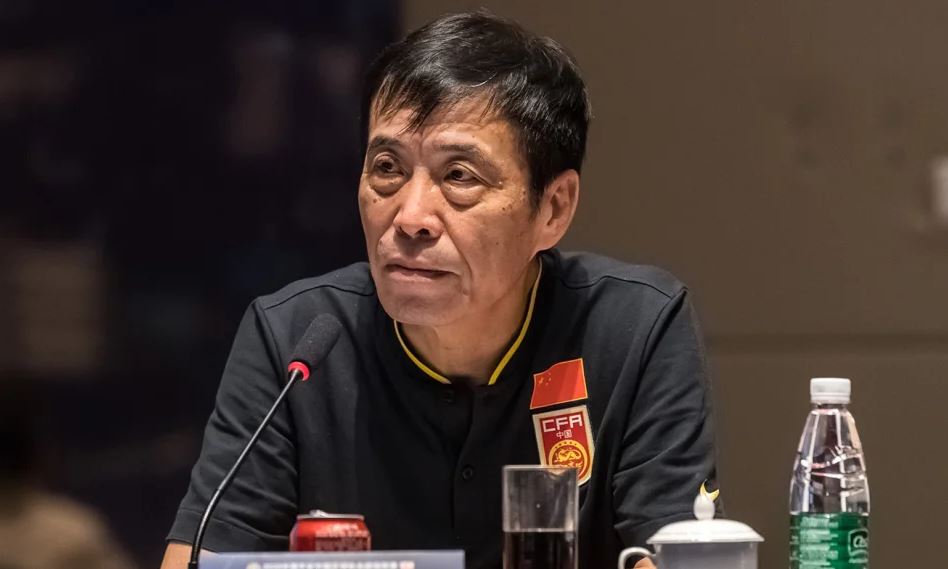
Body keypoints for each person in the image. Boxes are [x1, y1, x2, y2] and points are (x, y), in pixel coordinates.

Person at [161, 10, 715, 569]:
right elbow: (200, 556)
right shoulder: (295, 343)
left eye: (458, 176)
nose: (410, 217)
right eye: (387, 167)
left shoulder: (634, 331)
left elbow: (675, 556)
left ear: (553, 208)